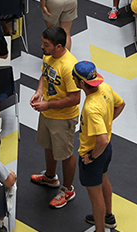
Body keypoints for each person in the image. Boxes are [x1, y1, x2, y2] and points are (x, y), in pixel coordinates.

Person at [29, 26, 81, 209]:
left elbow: (75, 99)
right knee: (48, 146)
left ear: (59, 46)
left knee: (65, 154)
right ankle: (50, 177)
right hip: (47, 113)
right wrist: (39, 92)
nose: (42, 47)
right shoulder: (48, 56)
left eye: (46, 44)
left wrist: (48, 104)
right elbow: (44, 74)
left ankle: (68, 190)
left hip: (63, 118)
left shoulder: (69, 67)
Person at [72, 61, 125, 232]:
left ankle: (100, 228)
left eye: (74, 77)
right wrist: (106, 123)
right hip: (107, 149)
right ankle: (108, 216)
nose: (72, 79)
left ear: (81, 83)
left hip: (94, 152)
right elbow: (121, 104)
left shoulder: (90, 107)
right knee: (104, 180)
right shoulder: (106, 88)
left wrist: (90, 157)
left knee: (96, 198)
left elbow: (101, 140)